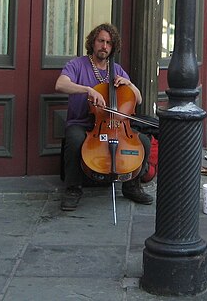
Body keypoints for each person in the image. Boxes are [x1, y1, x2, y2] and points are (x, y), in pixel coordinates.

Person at [56, 23, 153, 211]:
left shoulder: (116, 69)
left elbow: (138, 99)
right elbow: (60, 84)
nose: (104, 46)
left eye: (109, 43)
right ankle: (73, 189)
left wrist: (130, 85)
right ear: (93, 42)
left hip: (116, 126)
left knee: (144, 143)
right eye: (101, 41)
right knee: (75, 140)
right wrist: (87, 90)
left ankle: (131, 186)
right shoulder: (77, 65)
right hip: (83, 124)